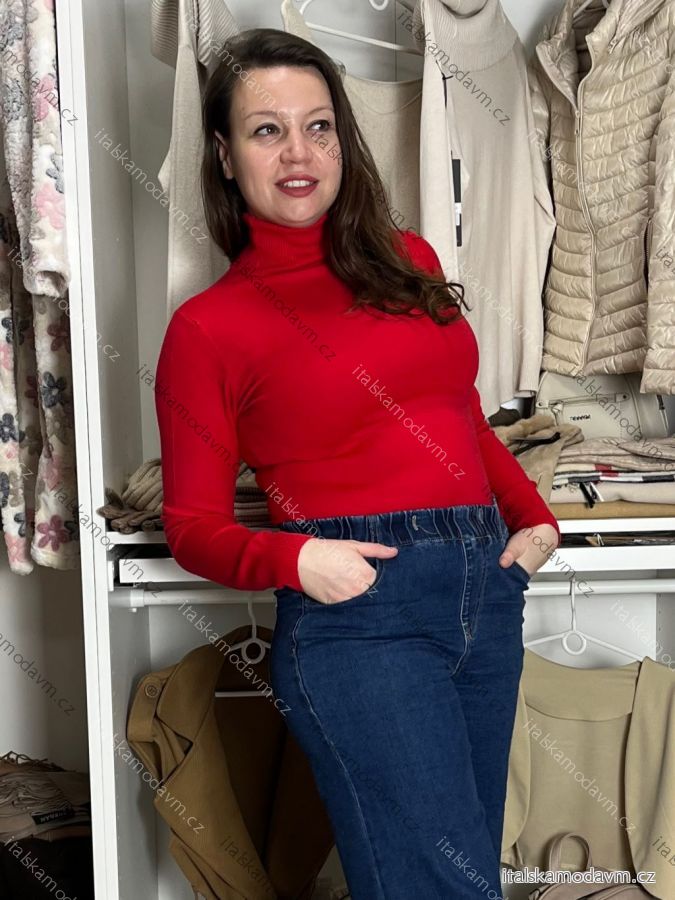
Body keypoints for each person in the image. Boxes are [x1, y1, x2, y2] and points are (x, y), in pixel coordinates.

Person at [154, 27, 560, 900]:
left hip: (483, 594)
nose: (298, 154)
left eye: (319, 127)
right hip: (362, 617)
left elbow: (459, 414)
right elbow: (189, 526)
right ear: (223, 154)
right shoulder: (209, 328)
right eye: (267, 131)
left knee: (465, 879)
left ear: (343, 139)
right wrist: (299, 559)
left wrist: (532, 518)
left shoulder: (410, 261)